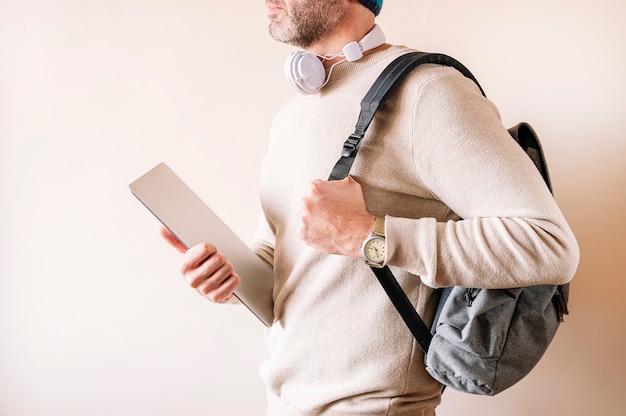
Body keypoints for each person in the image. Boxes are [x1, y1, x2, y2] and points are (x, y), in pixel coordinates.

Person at [160, 0, 580, 415]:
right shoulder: (292, 115)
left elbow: (548, 245)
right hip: (284, 404)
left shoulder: (428, 91)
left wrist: (368, 234)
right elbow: (282, 262)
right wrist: (229, 279)